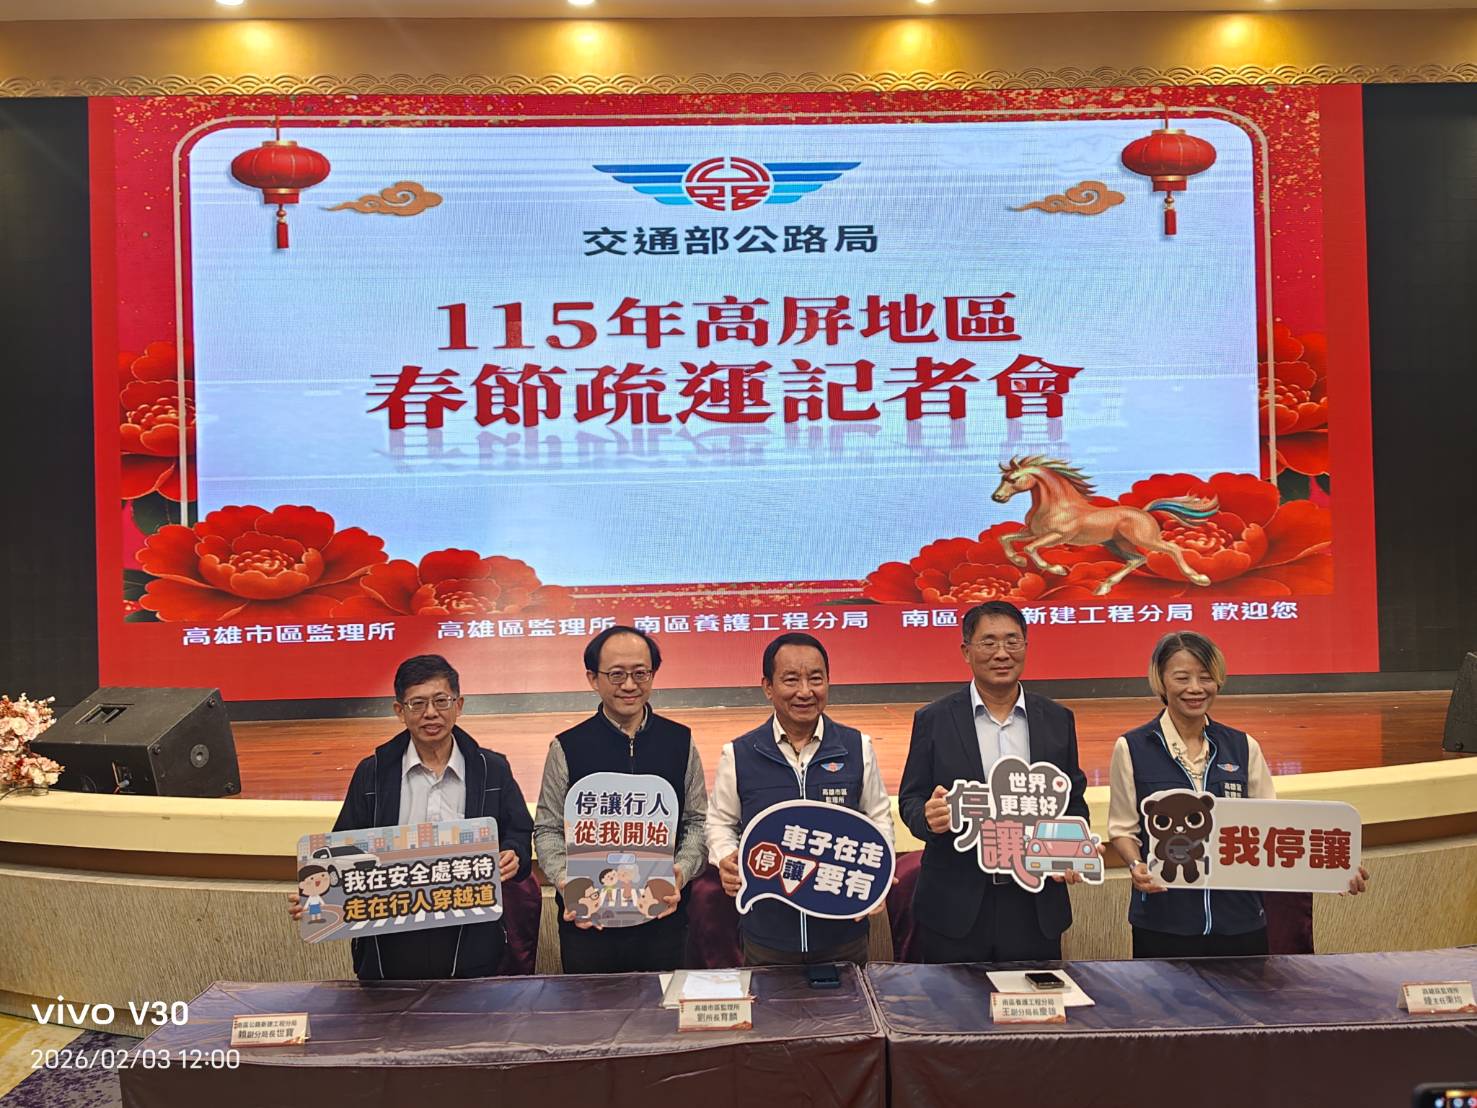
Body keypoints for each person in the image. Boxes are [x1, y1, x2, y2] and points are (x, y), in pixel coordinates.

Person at [1109, 631, 1369, 958]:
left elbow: (1273, 829)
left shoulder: (1243, 746)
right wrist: (1136, 865)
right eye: (1182, 678)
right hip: (1163, 920)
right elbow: (1123, 828)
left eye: (1206, 677)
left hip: (1240, 920)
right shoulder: (1132, 747)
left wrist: (1334, 869)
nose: (1195, 688)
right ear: (1160, 681)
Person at [287, 654, 533, 980]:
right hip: (390, 941)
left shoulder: (492, 769)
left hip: (470, 939)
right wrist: (319, 894)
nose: (431, 713)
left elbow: (519, 831)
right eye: (417, 704)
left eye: (441, 701)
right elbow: (341, 848)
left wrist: (514, 854)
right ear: (399, 711)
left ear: (459, 705)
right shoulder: (373, 773)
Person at [898, 600, 1092, 963]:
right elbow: (911, 800)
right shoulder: (934, 719)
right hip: (955, 907)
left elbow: (1074, 800)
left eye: (1012, 641)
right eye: (988, 642)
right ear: (966, 651)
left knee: (1032, 998)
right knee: (953, 999)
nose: (1002, 653)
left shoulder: (1056, 719)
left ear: (1026, 647)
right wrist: (927, 817)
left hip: (1033, 904)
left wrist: (1070, 848)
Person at [707, 632, 895, 966]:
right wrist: (726, 857)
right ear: (768, 687)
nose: (805, 691)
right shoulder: (738, 754)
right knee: (770, 1002)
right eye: (791, 679)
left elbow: (878, 817)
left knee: (848, 1002)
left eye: (816, 679)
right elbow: (720, 823)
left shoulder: (857, 747)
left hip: (842, 932)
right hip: (768, 931)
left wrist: (879, 872)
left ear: (828, 682)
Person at [534, 625, 708, 974]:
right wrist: (567, 882)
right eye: (616, 674)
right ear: (593, 679)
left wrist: (681, 871)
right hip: (588, 926)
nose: (629, 685)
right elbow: (548, 829)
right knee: (591, 1008)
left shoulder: (680, 741)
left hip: (662, 921)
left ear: (653, 674)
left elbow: (697, 822)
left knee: (661, 1007)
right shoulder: (566, 746)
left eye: (640, 673)